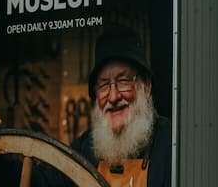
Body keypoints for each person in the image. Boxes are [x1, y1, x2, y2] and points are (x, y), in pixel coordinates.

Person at [69, 28, 171, 187]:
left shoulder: (170, 143)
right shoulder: (85, 148)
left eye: (123, 81)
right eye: (103, 85)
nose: (113, 96)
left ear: (146, 87)